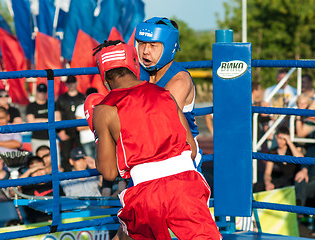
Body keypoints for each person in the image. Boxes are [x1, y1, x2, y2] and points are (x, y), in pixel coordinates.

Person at [87, 40, 221, 239]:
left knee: (129, 232)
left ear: (104, 77)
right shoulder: (165, 94)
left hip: (145, 194)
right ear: (133, 63)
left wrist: (99, 134)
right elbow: (191, 149)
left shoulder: (104, 110)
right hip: (186, 185)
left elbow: (108, 172)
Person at [135, 17, 202, 169]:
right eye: (142, 44)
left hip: (181, 155)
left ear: (169, 47)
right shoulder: (139, 73)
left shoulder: (179, 80)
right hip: (148, 153)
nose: (145, 51)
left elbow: (162, 125)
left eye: (153, 45)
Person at [254, 126, 303, 192]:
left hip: (294, 178)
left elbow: (301, 159)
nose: (280, 141)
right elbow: (267, 173)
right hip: (280, 179)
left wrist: (289, 142)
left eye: (283, 139)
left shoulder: (294, 149)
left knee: (287, 185)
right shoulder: (273, 152)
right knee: (259, 185)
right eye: (279, 138)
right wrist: (268, 183)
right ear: (276, 137)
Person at [55, 76, 85, 172]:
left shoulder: (82, 97)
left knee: (82, 154)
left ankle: (85, 176)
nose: (71, 85)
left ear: (76, 83)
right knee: (66, 155)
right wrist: (60, 131)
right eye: (69, 83)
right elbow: (57, 115)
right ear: (66, 84)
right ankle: (67, 179)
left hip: (81, 132)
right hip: (66, 131)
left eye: (73, 82)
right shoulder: (61, 98)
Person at [26, 83, 61, 155]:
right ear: (36, 92)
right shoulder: (31, 106)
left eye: (44, 91)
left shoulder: (52, 104)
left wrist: (38, 121)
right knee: (38, 163)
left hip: (51, 138)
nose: (42, 94)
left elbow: (58, 121)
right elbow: (31, 123)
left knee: (56, 163)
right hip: (37, 139)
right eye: (40, 91)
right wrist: (49, 121)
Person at [75, 87, 98, 159]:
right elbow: (79, 127)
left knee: (102, 162)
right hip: (86, 140)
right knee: (90, 163)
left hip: (98, 138)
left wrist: (90, 124)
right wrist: (96, 124)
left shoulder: (100, 106)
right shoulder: (80, 108)